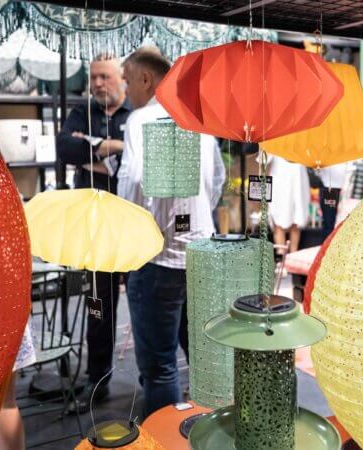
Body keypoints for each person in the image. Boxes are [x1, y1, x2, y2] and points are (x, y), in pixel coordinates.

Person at [118, 48, 225, 418]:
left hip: (157, 258)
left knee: (160, 365)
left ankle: (165, 438)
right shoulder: (196, 117)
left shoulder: (141, 119)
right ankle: (207, 430)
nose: (126, 90)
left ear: (146, 79)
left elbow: (133, 181)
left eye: (127, 81)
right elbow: (216, 181)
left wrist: (134, 234)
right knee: (202, 355)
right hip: (202, 255)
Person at [56, 55, 132, 412]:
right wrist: (110, 147)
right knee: (98, 305)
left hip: (132, 224)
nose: (98, 84)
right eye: (94, 77)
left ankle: (157, 377)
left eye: (105, 77)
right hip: (95, 227)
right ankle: (97, 378)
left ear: (122, 79)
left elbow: (136, 163)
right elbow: (63, 148)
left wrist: (89, 148)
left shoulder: (136, 114)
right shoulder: (81, 111)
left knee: (145, 302)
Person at [268, 156, 310, 256]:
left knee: (297, 218)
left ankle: (293, 256)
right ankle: (280, 255)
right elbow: (263, 159)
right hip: (279, 176)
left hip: (298, 176)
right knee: (277, 216)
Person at [317, 163, 348, 240]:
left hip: (330, 187)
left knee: (329, 220)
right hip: (330, 187)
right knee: (329, 220)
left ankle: (327, 242)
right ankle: (327, 243)